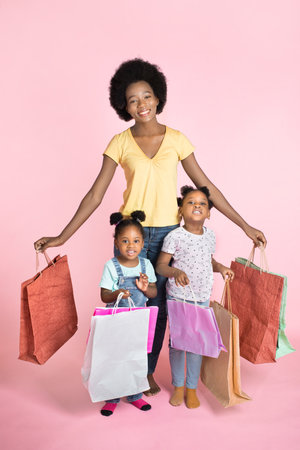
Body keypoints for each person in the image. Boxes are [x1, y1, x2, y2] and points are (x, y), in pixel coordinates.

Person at [34, 58, 266, 396]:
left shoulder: (176, 140)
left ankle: (144, 372)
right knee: (131, 305)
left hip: (174, 239)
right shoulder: (120, 143)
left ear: (158, 98)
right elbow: (95, 195)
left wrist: (245, 225)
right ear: (123, 106)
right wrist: (60, 237)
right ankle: (124, 373)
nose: (141, 105)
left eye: (146, 96)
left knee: (162, 309)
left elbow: (208, 189)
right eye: (132, 100)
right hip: (134, 238)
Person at [156, 185, 234, 409]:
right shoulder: (175, 237)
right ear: (180, 210)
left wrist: (221, 268)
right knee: (179, 344)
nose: (197, 206)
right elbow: (161, 266)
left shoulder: (210, 236)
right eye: (191, 202)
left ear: (209, 212)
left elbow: (209, 261)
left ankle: (191, 388)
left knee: (197, 345)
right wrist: (175, 272)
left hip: (201, 297)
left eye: (203, 203)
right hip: (179, 298)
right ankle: (178, 385)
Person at [99, 210, 157, 416]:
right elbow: (104, 295)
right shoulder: (111, 266)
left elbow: (153, 292)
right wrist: (115, 293)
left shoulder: (146, 265)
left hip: (138, 322)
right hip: (116, 323)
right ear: (116, 243)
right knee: (114, 358)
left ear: (142, 243)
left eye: (136, 241)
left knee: (136, 358)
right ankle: (112, 398)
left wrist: (144, 288)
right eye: (125, 241)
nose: (131, 246)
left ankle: (134, 396)